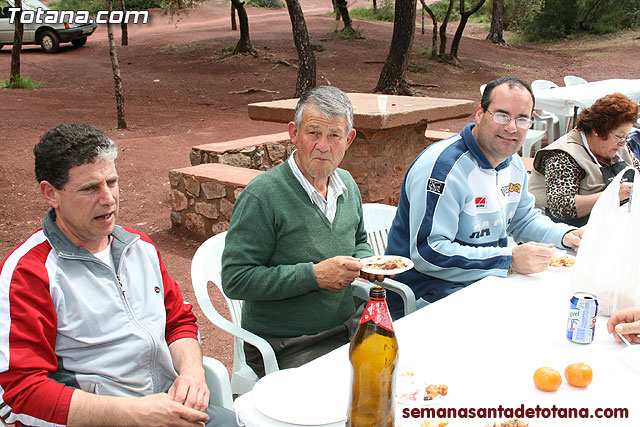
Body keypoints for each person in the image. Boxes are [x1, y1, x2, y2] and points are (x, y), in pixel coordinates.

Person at [0, 124, 238, 427]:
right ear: (51, 193)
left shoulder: (140, 249)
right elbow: (23, 393)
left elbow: (177, 322)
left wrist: (192, 372)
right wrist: (136, 414)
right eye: (89, 188)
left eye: (111, 182)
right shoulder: (28, 274)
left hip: (168, 409)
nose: (108, 198)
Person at [384, 77, 583, 319]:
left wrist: (565, 236)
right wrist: (508, 260)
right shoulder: (443, 169)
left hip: (484, 283)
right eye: (502, 115)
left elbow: (523, 221)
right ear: (480, 114)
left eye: (522, 119)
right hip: (423, 295)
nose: (512, 127)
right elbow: (429, 253)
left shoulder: (514, 165)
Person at [221, 86, 384, 377]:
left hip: (347, 324)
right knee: (342, 396)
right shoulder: (263, 196)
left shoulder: (347, 183)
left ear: (349, 139)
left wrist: (367, 263)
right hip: (286, 342)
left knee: (398, 370)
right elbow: (236, 280)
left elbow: (359, 240)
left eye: (334, 135)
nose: (323, 146)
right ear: (294, 134)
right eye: (313, 133)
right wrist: (314, 276)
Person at [529, 93, 639, 227]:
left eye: (626, 137)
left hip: (617, 223)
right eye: (620, 137)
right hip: (573, 234)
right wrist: (613, 194)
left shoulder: (618, 146)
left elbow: (637, 169)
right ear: (598, 130)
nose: (623, 143)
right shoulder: (564, 155)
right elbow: (562, 207)